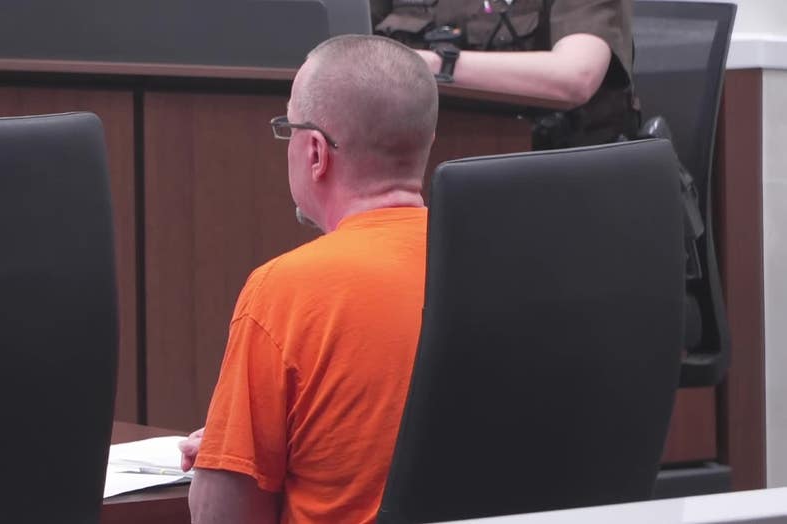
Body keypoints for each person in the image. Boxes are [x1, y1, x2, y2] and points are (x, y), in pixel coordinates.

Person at [176, 34, 438, 523]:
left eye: (288, 128)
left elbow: (224, 516)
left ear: (316, 152)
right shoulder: (494, 269)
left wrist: (217, 465)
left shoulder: (285, 290)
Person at [370, 0, 639, 149]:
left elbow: (576, 76)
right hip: (409, 168)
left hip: (552, 172)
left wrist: (427, 65)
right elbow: (348, 47)